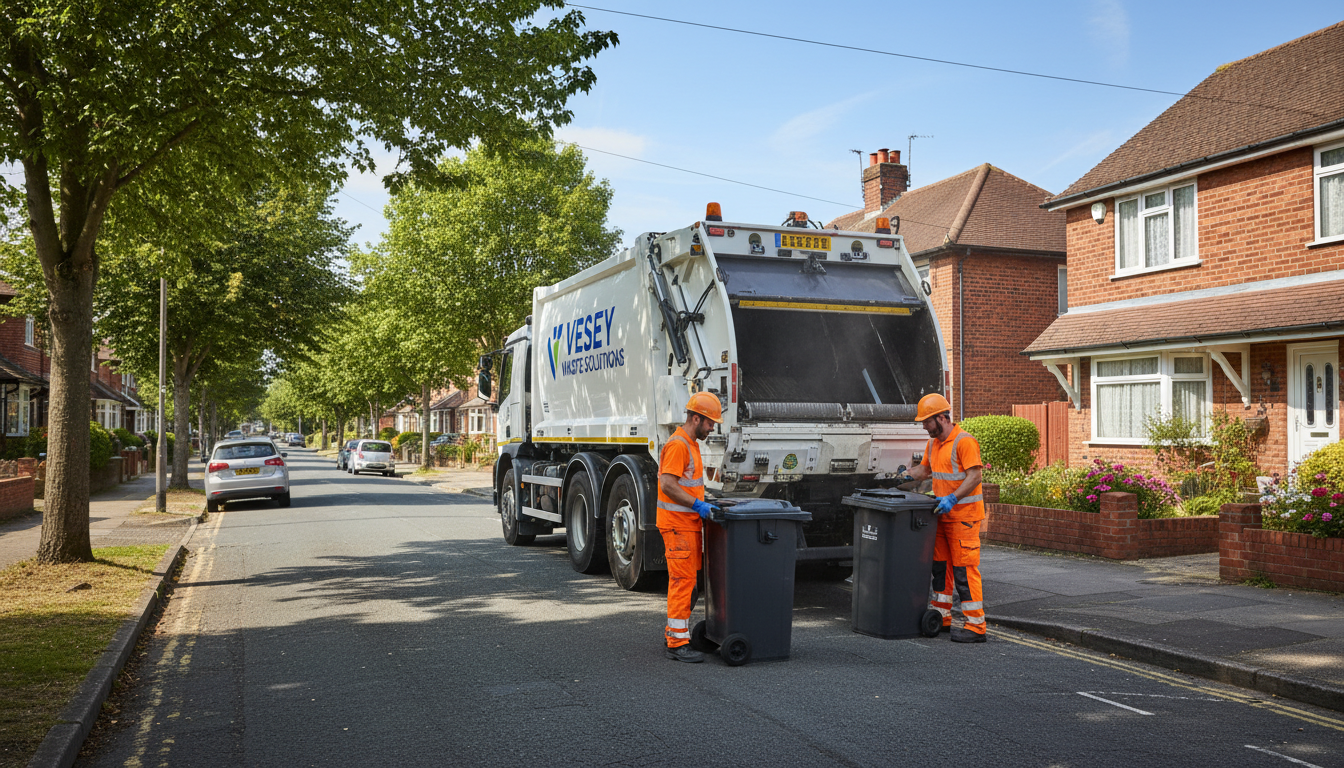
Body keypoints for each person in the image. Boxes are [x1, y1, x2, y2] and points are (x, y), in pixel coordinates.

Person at [903, 393, 987, 643]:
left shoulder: (964, 441)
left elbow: (975, 477)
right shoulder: (934, 444)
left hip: (964, 517)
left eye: (927, 421)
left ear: (942, 417)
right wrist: (904, 474)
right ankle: (942, 616)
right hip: (942, 516)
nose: (924, 426)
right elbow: (925, 470)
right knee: (941, 568)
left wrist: (952, 498)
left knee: (964, 570)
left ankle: (976, 625)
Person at [656, 391, 723, 663]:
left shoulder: (690, 443)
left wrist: (703, 504)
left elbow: (686, 484)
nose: (712, 428)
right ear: (696, 418)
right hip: (678, 526)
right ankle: (676, 642)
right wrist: (698, 505)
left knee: (689, 584)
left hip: (688, 525)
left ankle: (676, 633)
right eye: (709, 423)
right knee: (683, 582)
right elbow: (667, 485)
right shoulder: (679, 445)